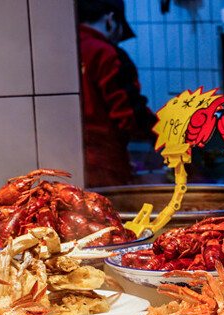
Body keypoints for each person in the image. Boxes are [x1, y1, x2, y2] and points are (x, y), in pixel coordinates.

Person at [77, 0, 158, 187]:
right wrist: (165, 136)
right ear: (110, 20)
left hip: (66, 166)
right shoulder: (106, 54)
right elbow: (131, 115)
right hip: (104, 168)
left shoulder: (60, 49)